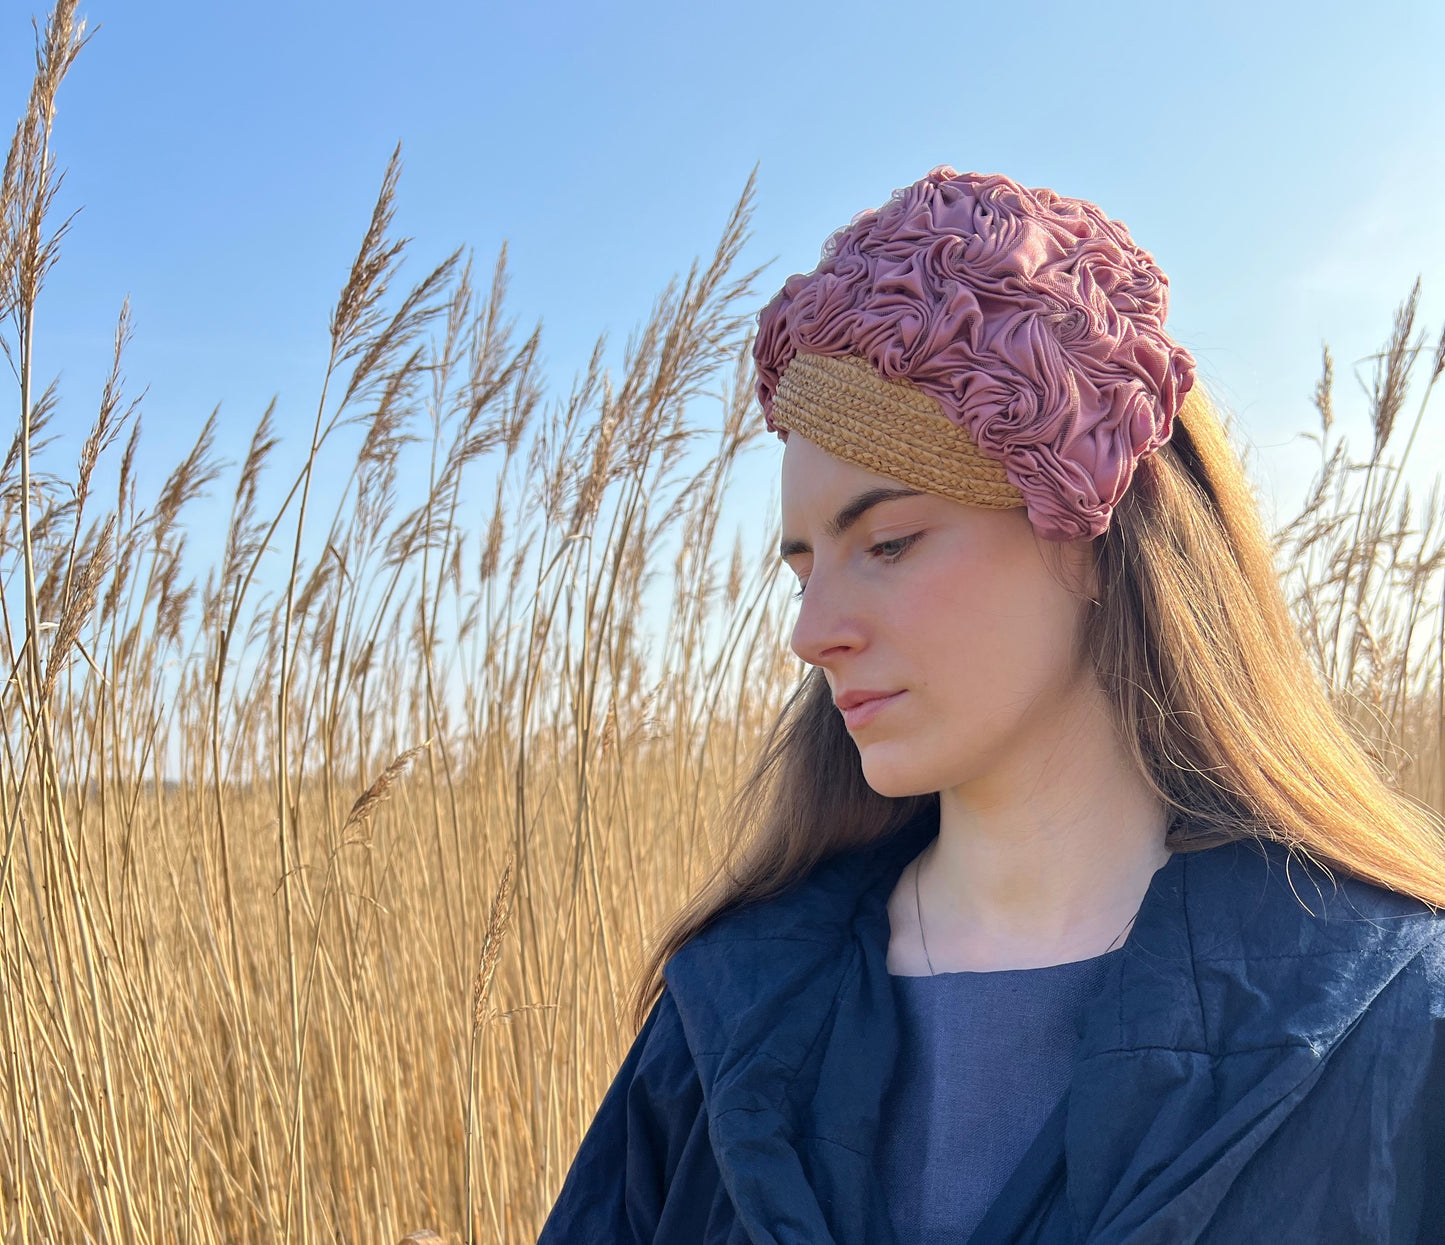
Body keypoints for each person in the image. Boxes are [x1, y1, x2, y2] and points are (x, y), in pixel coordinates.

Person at [535, 167, 1445, 1244]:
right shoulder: (718, 1017)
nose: (810, 630)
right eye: (801, 565)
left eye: (886, 543)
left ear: (1101, 535)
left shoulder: (1391, 1024)